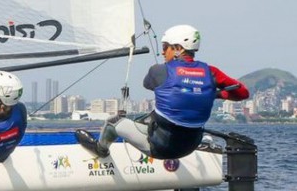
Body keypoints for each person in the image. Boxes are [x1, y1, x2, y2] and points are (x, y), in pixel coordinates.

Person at [75, 24, 249, 159]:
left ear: (178, 48)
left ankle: (101, 150)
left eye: (165, 47)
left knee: (114, 122)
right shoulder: (211, 72)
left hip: (160, 149)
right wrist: (215, 93)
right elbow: (243, 93)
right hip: (190, 147)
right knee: (154, 117)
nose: (163, 52)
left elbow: (148, 84)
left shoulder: (159, 70)